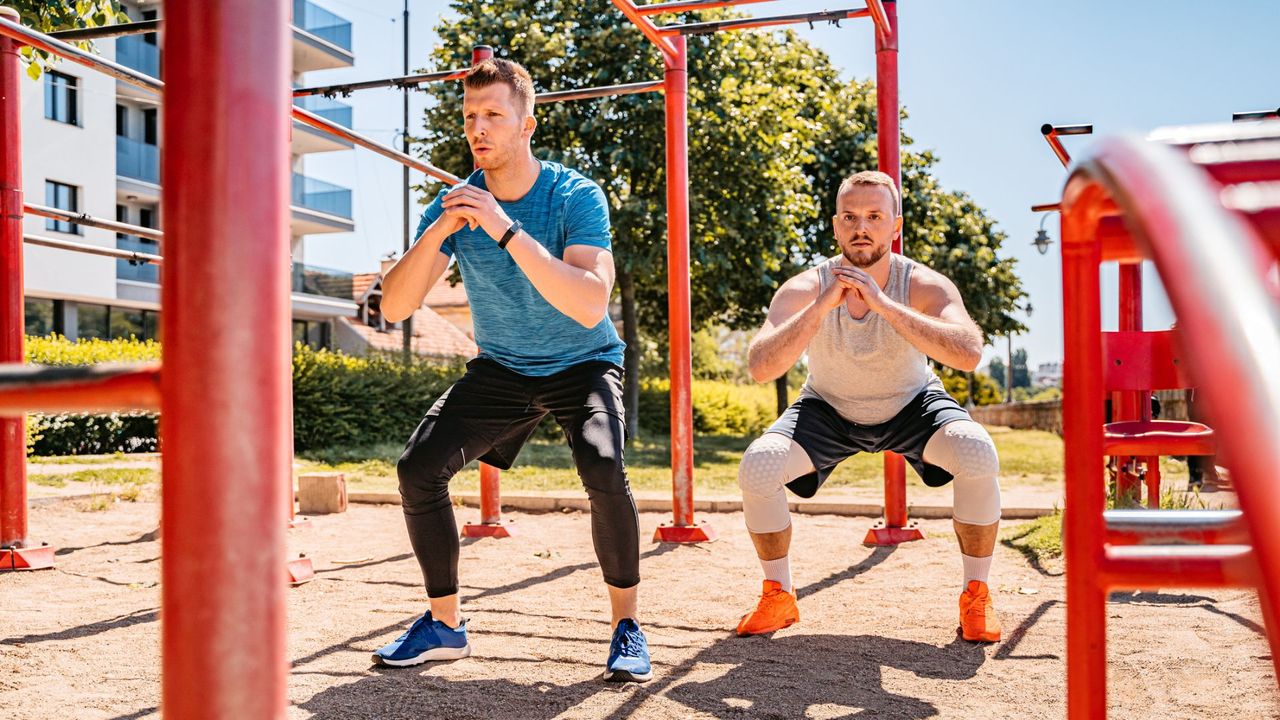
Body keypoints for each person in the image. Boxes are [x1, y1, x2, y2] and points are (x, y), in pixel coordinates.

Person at [374, 58, 650, 682]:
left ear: (527, 123)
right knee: (418, 469)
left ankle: (626, 627)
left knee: (603, 464)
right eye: (471, 116)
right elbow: (393, 306)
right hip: (504, 367)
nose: (479, 128)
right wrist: (442, 226)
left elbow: (588, 303)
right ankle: (444, 626)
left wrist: (503, 228)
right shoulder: (456, 203)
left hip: (583, 361)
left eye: (494, 114)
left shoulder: (575, 195)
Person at [733, 170, 1004, 642]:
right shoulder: (804, 286)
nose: (862, 227)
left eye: (875, 216)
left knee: (978, 453)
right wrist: (820, 307)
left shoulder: (922, 283)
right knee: (758, 466)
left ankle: (976, 595)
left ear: (895, 225)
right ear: (836, 226)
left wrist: (881, 304)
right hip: (828, 407)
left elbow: (969, 353)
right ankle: (779, 595)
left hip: (912, 403)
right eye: (851, 217)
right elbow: (761, 366)